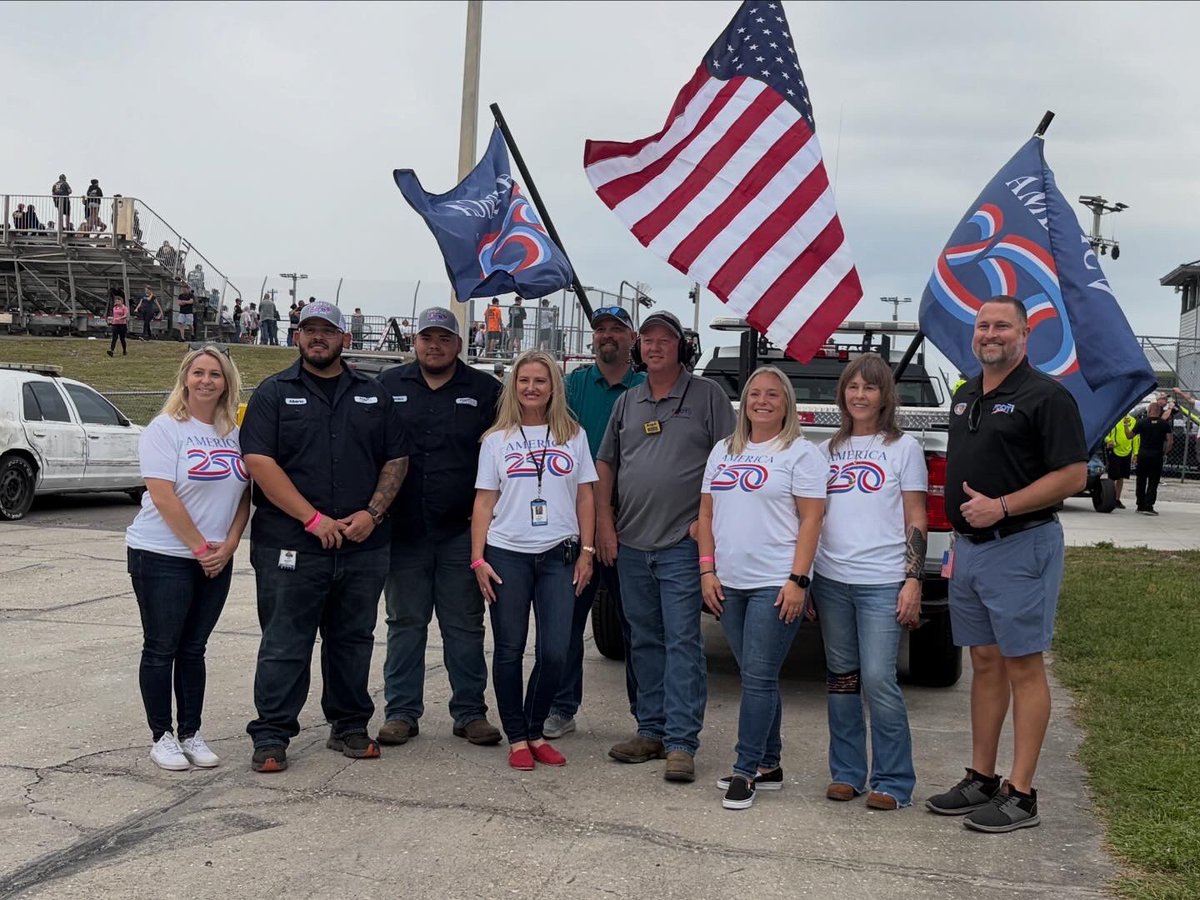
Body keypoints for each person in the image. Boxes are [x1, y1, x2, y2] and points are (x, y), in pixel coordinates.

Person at [925, 295, 1087, 833]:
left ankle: (1022, 794)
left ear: (1025, 334)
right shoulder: (965, 394)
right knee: (985, 660)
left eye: (1002, 326)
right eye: (983, 326)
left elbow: (1073, 476)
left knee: (1023, 665)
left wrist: (1002, 505)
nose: (990, 334)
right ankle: (982, 777)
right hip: (969, 550)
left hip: (1020, 543)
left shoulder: (1047, 396)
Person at [240, 301, 410, 773]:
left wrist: (373, 514)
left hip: (362, 545)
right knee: (285, 642)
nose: (318, 337)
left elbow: (397, 458)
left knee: (353, 640)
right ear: (297, 337)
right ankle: (272, 735)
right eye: (309, 330)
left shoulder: (374, 395)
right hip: (290, 544)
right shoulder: (273, 393)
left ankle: (349, 725)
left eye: (328, 331)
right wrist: (312, 519)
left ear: (345, 339)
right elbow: (259, 462)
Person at [597, 310, 736, 782]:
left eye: (665, 340)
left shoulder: (708, 396)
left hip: (681, 543)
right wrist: (605, 525)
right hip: (631, 542)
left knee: (682, 642)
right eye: (649, 340)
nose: (655, 347)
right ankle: (650, 730)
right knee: (643, 640)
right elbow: (606, 465)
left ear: (682, 347)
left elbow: (731, 462)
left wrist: (707, 524)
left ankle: (681, 742)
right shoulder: (628, 402)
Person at [698, 365, 826, 810]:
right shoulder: (723, 450)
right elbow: (706, 514)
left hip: (776, 583)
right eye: (755, 393)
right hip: (729, 583)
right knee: (758, 676)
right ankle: (769, 764)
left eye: (773, 394)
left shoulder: (800, 454)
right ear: (744, 402)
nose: (762, 401)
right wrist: (707, 571)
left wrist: (799, 580)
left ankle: (745, 769)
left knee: (756, 677)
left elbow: (812, 518)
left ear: (787, 403)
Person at [375, 307, 504, 749]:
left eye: (444, 338)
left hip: (460, 532)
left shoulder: (486, 391)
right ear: (415, 342)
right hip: (404, 530)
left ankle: (470, 713)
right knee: (405, 622)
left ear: (459, 345)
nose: (435, 346)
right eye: (427, 338)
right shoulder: (388, 386)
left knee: (464, 625)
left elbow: (504, 454)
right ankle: (401, 713)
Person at [125, 346, 251, 770]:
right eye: (198, 372)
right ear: (185, 378)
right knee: (162, 648)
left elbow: (244, 494)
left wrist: (229, 545)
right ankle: (161, 736)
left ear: (226, 383)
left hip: (216, 557)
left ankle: (191, 733)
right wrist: (200, 549)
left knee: (194, 649)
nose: (206, 381)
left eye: (215, 374)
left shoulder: (233, 434)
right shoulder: (165, 429)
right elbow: (162, 496)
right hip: (162, 554)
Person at [812, 354, 928, 811]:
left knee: (879, 678)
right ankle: (847, 773)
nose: (860, 395)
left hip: (882, 579)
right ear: (842, 393)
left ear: (885, 396)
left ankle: (894, 780)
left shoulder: (904, 448)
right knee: (842, 679)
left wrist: (913, 580)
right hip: (831, 579)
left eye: (870, 387)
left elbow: (916, 515)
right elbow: (812, 517)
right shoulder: (826, 450)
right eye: (853, 386)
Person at [471, 350, 597, 770]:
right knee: (509, 649)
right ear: (514, 386)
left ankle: (536, 728)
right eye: (523, 380)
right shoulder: (496, 440)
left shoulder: (573, 436)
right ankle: (517, 737)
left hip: (559, 554)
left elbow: (585, 496)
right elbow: (484, 501)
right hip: (507, 554)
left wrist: (587, 552)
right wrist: (477, 558)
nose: (531, 388)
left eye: (540, 381)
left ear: (553, 387)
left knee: (556, 650)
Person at [545, 306, 644, 740]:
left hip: (633, 525)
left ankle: (648, 717)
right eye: (600, 329)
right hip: (576, 524)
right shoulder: (573, 386)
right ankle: (560, 706)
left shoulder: (644, 388)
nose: (607, 335)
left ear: (632, 338)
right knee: (565, 623)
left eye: (616, 329)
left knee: (637, 626)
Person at [1132, 400, 1173, 515]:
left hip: (1143, 454)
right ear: (1159, 412)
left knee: (1141, 480)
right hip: (1156, 455)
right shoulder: (1164, 424)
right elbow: (1170, 442)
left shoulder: (1141, 422)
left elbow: (1130, 435)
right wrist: (1164, 452)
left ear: (1149, 410)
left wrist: (1126, 428)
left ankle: (1140, 505)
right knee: (1153, 481)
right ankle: (1149, 506)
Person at [1104, 410, 1139, 510]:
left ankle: (1117, 499)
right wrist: (1109, 440)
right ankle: (1109, 498)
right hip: (1114, 450)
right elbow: (1105, 433)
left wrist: (1135, 453)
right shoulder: (1113, 419)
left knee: (1121, 476)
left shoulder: (1133, 421)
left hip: (1127, 451)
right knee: (1112, 476)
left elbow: (1135, 437)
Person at [107, 289, 130, 357]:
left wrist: (120, 318)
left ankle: (124, 350)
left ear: (121, 301)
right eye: (116, 301)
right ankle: (111, 350)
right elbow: (114, 315)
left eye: (118, 301)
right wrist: (112, 320)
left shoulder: (124, 308)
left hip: (122, 324)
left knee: (122, 338)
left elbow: (125, 315)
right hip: (115, 324)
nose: (117, 302)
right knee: (114, 338)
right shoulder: (114, 308)